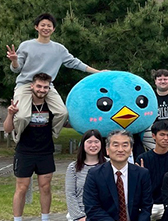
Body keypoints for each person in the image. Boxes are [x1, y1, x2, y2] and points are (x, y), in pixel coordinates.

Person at [6, 13, 101, 141]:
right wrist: (14, 60)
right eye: (43, 25)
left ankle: (50, 135)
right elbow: (15, 69)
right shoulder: (26, 45)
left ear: (53, 29)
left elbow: (75, 63)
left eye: (49, 26)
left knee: (62, 113)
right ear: (36, 27)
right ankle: (18, 137)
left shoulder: (59, 49)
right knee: (23, 116)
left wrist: (98, 72)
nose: (46, 28)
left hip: (47, 86)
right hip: (26, 84)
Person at [3, 73, 59, 221]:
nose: (42, 90)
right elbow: (7, 129)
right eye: (39, 86)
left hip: (45, 151)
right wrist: (11, 114)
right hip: (25, 152)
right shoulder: (22, 105)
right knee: (21, 187)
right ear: (32, 86)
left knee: (45, 187)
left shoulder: (52, 106)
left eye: (45, 87)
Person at [65, 130, 112, 221]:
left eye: (96, 142)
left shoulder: (109, 164)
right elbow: (70, 195)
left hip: (102, 213)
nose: (93, 145)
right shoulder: (73, 167)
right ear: (83, 144)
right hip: (80, 214)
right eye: (89, 142)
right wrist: (80, 217)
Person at [137, 120, 168, 221]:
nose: (166, 138)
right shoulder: (143, 159)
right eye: (162, 135)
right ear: (153, 136)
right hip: (149, 204)